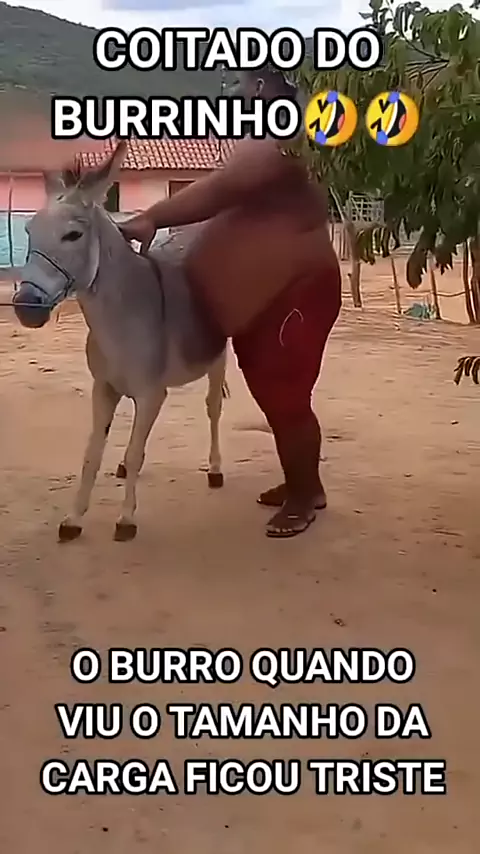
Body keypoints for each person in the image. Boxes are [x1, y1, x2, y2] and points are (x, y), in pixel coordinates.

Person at [118, 67, 342, 538]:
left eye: (242, 85)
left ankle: (304, 496)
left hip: (295, 295)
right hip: (270, 300)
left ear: (260, 88)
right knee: (276, 394)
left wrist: (153, 217)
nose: (237, 94)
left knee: (286, 396)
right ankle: (304, 482)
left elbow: (223, 188)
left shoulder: (277, 139)